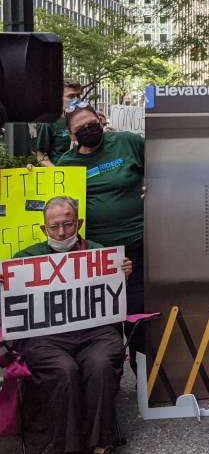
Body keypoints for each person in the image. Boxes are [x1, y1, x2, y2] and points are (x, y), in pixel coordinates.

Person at [2, 196, 132, 454]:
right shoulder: (25, 259)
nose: (62, 232)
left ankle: (100, 443)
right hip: (46, 337)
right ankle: (68, 447)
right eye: (54, 227)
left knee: (100, 364)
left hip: (96, 333)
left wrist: (122, 275)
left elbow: (111, 294)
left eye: (68, 224)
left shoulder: (100, 252)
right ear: (44, 229)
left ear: (79, 223)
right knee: (64, 370)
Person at [56, 101, 146, 372]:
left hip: (139, 243)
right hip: (98, 255)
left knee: (139, 313)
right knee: (104, 320)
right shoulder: (67, 164)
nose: (88, 130)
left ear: (101, 120)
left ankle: (145, 377)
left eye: (92, 123)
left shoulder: (128, 142)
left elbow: (162, 166)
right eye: (80, 128)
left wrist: (154, 184)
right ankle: (107, 378)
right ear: (71, 135)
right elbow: (56, 203)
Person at [34, 78, 82, 166]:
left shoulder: (84, 119)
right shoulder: (49, 122)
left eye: (78, 96)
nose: (76, 99)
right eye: (70, 96)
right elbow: (41, 156)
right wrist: (58, 173)